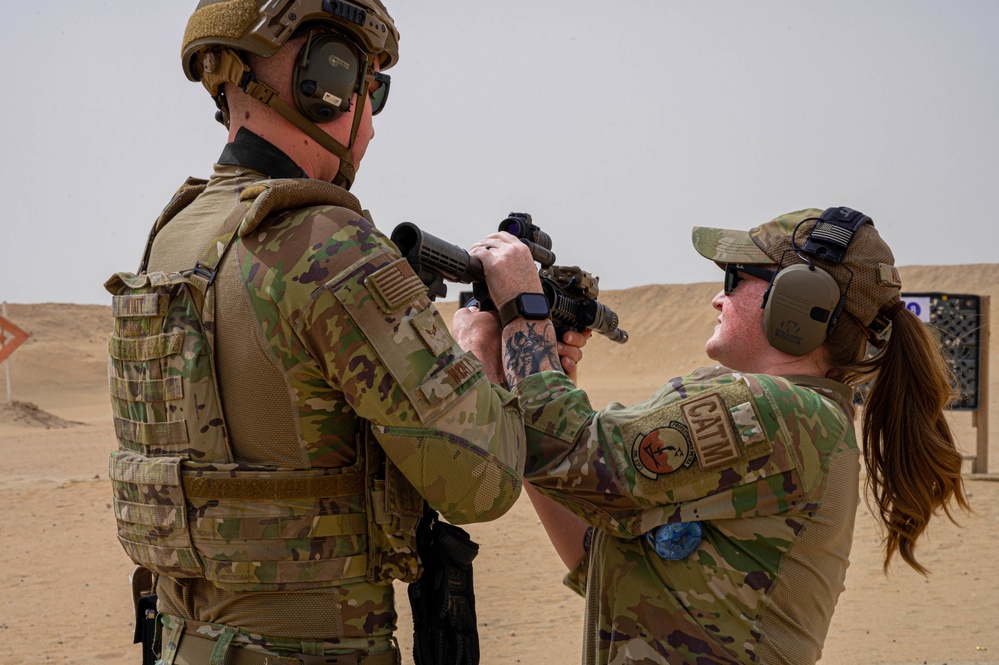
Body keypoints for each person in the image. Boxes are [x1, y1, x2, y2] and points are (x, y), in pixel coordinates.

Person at [104, 2, 581, 663]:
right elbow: (480, 482)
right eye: (371, 88)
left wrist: (467, 351)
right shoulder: (327, 242)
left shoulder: (176, 230)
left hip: (183, 644)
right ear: (324, 77)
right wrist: (520, 321)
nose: (372, 127)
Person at [452, 207, 970, 665]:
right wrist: (522, 379)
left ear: (797, 301)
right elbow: (603, 558)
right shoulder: (797, 421)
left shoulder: (778, 413)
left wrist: (523, 310)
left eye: (733, 278)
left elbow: (570, 451)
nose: (716, 299)